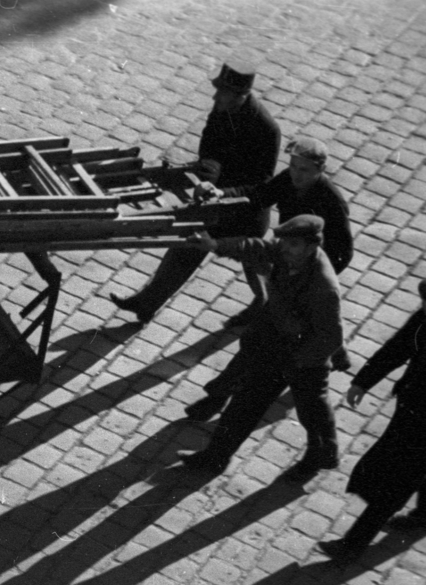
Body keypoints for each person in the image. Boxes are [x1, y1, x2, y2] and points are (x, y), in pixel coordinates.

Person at [185, 136, 356, 417]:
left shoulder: (331, 203)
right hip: (290, 262)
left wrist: (309, 272)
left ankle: (217, 398)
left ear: (320, 170)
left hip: (307, 271)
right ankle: (336, 353)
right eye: (293, 166)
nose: (296, 174)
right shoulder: (289, 180)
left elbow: (343, 251)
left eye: (304, 170)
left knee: (261, 338)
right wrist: (221, 194)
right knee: (271, 334)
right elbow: (260, 194)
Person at [109, 58, 281, 325]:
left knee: (257, 264)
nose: (215, 96)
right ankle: (147, 304)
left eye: (222, 91)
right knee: (188, 246)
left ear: (241, 95)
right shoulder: (223, 107)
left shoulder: (266, 130)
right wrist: (208, 170)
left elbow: (262, 186)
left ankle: (270, 306)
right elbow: (210, 145)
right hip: (216, 202)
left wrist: (222, 191)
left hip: (246, 213)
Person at [177, 215, 344, 482]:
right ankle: (215, 457)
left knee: (312, 411)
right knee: (246, 404)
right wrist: (215, 245)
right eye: (284, 242)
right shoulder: (289, 252)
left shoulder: (323, 288)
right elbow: (256, 247)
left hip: (306, 355)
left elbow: (330, 338)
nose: (284, 248)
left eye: (293, 244)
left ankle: (323, 454)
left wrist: (297, 363)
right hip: (276, 344)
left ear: (311, 247)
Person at [317, 280, 426, 561]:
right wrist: (363, 382)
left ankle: (352, 545)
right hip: (413, 406)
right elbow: (400, 346)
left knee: (398, 479)